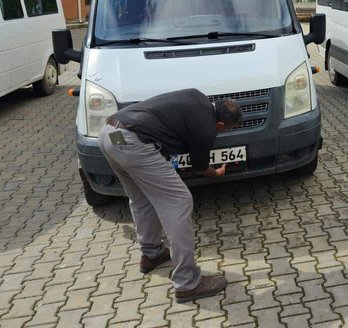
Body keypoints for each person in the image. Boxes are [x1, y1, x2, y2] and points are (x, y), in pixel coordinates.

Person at [98, 89, 243, 303]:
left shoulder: (197, 97)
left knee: (141, 199)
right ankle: (187, 283)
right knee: (179, 201)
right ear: (221, 124)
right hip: (134, 143)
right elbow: (199, 164)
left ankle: (152, 254)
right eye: (228, 129)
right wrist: (216, 173)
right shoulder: (206, 128)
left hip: (110, 134)